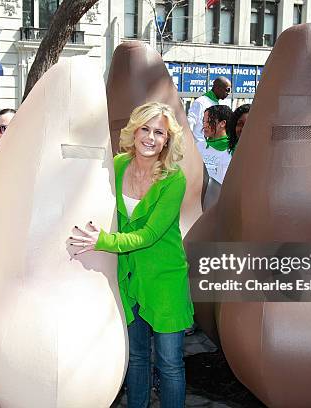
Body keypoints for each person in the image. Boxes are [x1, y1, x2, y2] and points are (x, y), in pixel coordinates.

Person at [70, 102, 193, 408]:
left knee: (169, 362)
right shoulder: (119, 165)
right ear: (134, 131)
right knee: (136, 357)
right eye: (145, 129)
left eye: (159, 132)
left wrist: (102, 242)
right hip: (128, 276)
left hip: (165, 280)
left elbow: (149, 235)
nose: (151, 138)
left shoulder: (173, 179)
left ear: (167, 140)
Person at [196, 104, 235, 185]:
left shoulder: (234, 149)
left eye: (209, 121)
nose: (205, 125)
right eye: (204, 121)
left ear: (222, 123)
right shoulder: (198, 147)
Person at [187, 76, 231, 144]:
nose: (228, 93)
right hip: (199, 146)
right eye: (227, 90)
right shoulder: (201, 102)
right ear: (218, 88)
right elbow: (190, 122)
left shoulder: (217, 102)